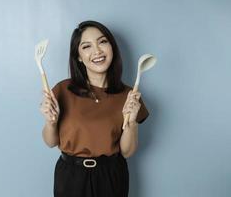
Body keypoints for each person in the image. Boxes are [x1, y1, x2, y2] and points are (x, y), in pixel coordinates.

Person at [39, 20, 149, 197]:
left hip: (111, 176)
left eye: (102, 42)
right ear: (79, 57)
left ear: (112, 47)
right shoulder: (62, 90)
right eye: (86, 46)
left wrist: (132, 121)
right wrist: (50, 121)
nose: (97, 51)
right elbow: (51, 142)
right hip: (71, 177)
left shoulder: (130, 95)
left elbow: (127, 152)